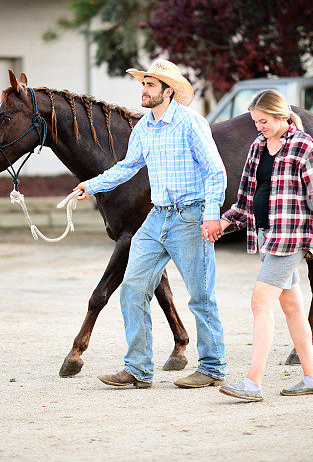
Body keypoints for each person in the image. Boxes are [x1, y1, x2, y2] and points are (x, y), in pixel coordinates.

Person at [75, 59, 228, 389]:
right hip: (157, 216)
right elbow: (126, 167)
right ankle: (139, 369)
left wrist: (212, 214)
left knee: (201, 295)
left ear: (168, 91)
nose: (142, 90)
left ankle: (213, 368)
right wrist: (92, 185)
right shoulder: (143, 128)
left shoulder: (191, 124)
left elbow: (216, 171)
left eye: (149, 85)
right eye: (142, 84)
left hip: (191, 215)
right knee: (132, 288)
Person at [216, 89, 313, 402]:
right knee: (292, 307)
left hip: (292, 236)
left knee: (260, 303)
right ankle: (312, 377)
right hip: (266, 235)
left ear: (281, 116)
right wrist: (224, 222)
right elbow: (246, 197)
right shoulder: (258, 146)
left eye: (263, 121)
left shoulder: (304, 146)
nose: (259, 126)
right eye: (256, 121)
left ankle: (252, 382)